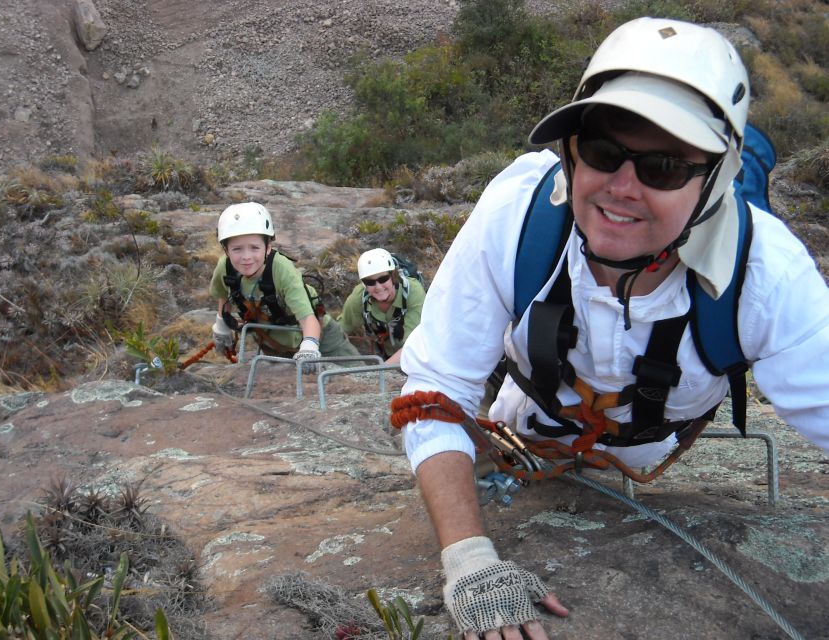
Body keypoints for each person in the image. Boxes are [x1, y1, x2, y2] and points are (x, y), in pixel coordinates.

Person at [396, 17, 829, 640]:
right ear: (572, 151)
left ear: (718, 179)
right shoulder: (518, 216)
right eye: (602, 152)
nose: (621, 188)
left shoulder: (765, 275)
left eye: (664, 167)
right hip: (523, 426)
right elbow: (435, 388)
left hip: (646, 450)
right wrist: (468, 560)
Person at [209, 202, 360, 371]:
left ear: (268, 248)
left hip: (321, 336)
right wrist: (221, 326)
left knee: (359, 372)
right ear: (226, 250)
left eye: (254, 248)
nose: (246, 257)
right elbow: (223, 294)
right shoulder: (226, 267)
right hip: (275, 343)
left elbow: (307, 318)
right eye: (237, 249)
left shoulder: (282, 270)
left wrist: (309, 347)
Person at [338, 248, 427, 365]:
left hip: (417, 356)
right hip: (385, 354)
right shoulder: (358, 298)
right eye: (370, 282)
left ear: (393, 276)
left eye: (383, 279)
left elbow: (413, 346)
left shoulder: (413, 293)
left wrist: (381, 372)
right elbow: (341, 329)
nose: (378, 287)